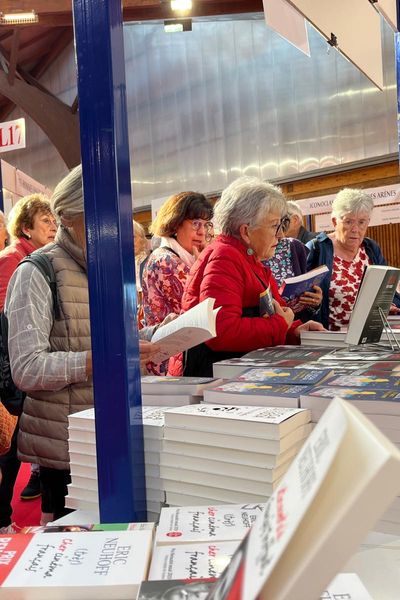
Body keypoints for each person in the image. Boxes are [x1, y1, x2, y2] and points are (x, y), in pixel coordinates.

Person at [4, 165, 161, 525]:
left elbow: (105, 339)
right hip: (67, 448)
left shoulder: (106, 270)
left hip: (113, 434)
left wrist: (153, 338)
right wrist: (101, 360)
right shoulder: (36, 271)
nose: (116, 228)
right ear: (68, 217)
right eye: (103, 215)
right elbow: (26, 369)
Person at [169, 177, 324, 377]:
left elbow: (271, 312)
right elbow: (222, 331)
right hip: (213, 381)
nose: (280, 235)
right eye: (274, 226)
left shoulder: (247, 258)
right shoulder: (225, 257)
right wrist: (280, 325)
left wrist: (294, 331)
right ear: (245, 231)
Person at [0, 195, 58, 534]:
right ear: (25, 227)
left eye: (54, 220)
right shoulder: (15, 261)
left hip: (16, 369)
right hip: (11, 372)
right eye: (44, 220)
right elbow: (11, 323)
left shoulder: (31, 258)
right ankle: (5, 521)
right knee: (9, 444)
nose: (52, 226)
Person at [306, 188, 400, 330]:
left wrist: (389, 303)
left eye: (361, 222)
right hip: (330, 339)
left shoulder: (371, 248)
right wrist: (314, 303)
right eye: (349, 222)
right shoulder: (317, 249)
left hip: (370, 336)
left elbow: (387, 289)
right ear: (334, 221)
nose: (355, 229)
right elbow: (301, 301)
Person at [142, 191, 213, 374]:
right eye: (196, 223)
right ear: (175, 223)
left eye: (206, 225)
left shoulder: (181, 257)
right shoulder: (166, 260)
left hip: (177, 356)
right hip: (169, 361)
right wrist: (204, 264)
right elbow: (196, 309)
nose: (202, 232)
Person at [263, 227, 322, 320]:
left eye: (281, 225)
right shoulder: (242, 256)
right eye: (273, 226)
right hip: (268, 327)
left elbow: (304, 294)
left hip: (295, 324)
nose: (280, 234)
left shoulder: (293, 246)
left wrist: (313, 301)